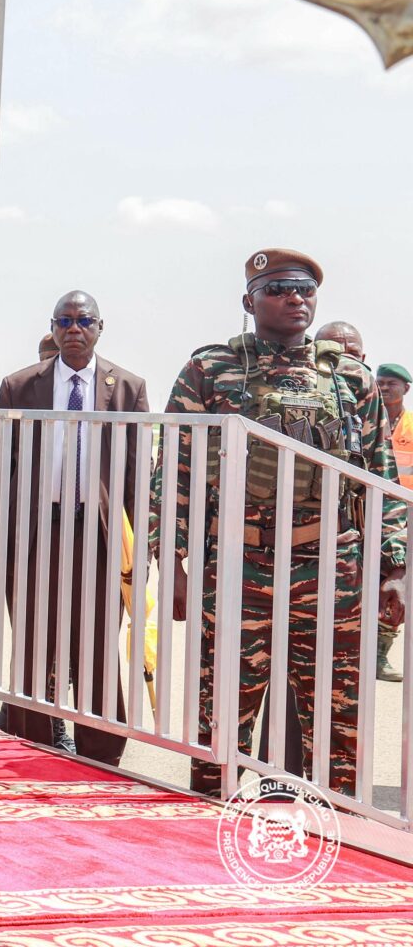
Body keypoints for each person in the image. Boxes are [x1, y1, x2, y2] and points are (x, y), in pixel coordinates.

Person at [162, 249, 406, 797]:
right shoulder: (210, 371)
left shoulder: (349, 378)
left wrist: (394, 568)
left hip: (332, 565)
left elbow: (380, 476)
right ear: (248, 302)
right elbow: (176, 470)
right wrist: (172, 561)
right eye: (277, 289)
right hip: (239, 564)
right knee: (222, 706)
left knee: (338, 710)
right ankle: (209, 814)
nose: (295, 298)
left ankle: (337, 822)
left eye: (304, 289)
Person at [0, 290, 148, 767]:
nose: (74, 329)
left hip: (98, 536)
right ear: (52, 327)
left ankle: (101, 755)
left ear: (100, 327)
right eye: (64, 321)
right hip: (35, 533)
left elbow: (139, 476)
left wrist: (141, 548)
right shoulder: (19, 386)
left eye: (84, 320)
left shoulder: (128, 388)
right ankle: (33, 747)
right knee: (33, 643)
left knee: (97, 644)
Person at [374, 362, 411, 682]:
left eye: (391, 384)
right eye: (380, 382)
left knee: (396, 583)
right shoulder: (366, 419)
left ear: (406, 389)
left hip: (406, 518)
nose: (384, 388)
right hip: (369, 511)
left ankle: (379, 654)